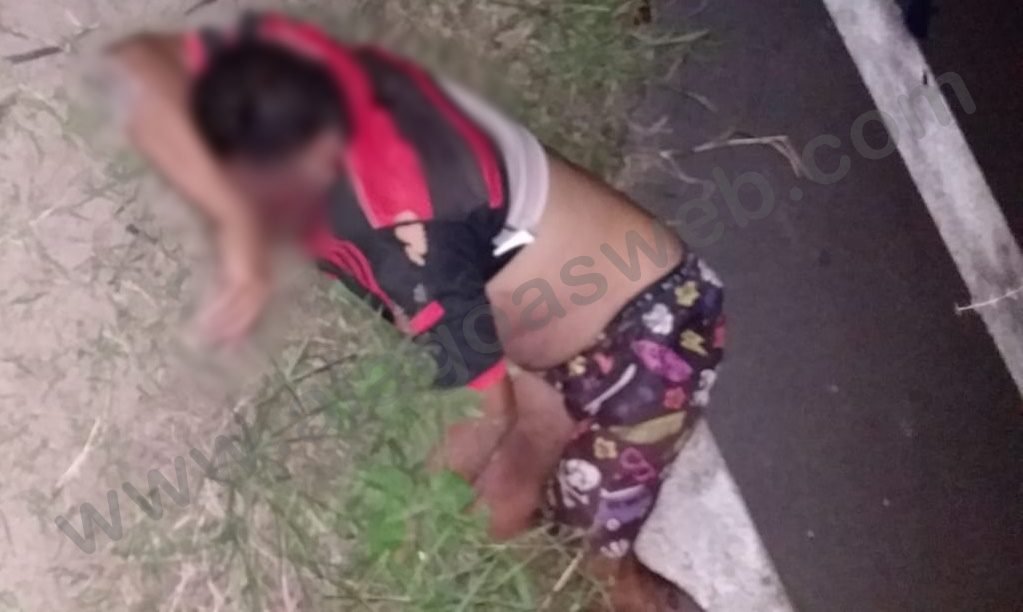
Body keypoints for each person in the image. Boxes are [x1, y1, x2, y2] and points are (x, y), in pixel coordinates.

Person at [109, 12, 725, 611]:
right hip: (538, 339)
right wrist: (241, 242)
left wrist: (403, 536)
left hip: (654, 331)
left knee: (589, 562)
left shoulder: (402, 232)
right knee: (498, 516)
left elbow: (481, 409)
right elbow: (138, 63)